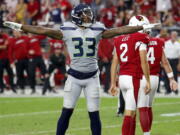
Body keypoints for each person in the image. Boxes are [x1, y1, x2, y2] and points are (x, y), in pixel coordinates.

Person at [3, 4, 159, 135]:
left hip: (92, 77)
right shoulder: (66, 30)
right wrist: (20, 26)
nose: (88, 18)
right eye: (85, 16)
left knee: (94, 114)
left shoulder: (98, 29)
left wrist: (139, 27)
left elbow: (118, 30)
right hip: (74, 78)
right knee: (66, 111)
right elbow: (42, 30)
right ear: (77, 16)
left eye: (89, 15)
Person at [109, 15, 151, 135]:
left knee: (132, 113)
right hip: (133, 77)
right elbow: (144, 61)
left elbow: (114, 63)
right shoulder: (140, 37)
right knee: (129, 112)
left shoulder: (119, 39)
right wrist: (147, 80)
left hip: (122, 78)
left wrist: (113, 83)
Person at [137, 35, 178, 135]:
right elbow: (164, 62)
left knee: (142, 108)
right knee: (149, 107)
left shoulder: (137, 41)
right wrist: (171, 79)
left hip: (142, 77)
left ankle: (146, 133)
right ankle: (148, 131)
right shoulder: (158, 42)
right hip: (155, 78)